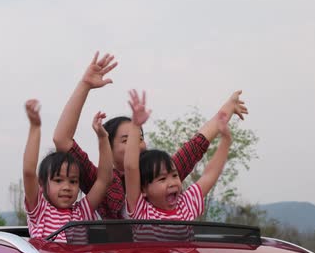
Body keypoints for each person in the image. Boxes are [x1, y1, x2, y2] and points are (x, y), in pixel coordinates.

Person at [53, 51, 248, 219]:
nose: (137, 144)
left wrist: (226, 110)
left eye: (140, 137)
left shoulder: (160, 174)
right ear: (109, 150)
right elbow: (61, 140)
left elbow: (195, 146)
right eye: (126, 139)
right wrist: (84, 85)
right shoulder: (101, 181)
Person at [124, 89, 233, 222]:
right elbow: (130, 167)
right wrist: (136, 125)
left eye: (175, 175)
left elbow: (210, 175)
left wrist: (226, 142)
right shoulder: (141, 210)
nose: (172, 183)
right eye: (162, 179)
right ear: (144, 190)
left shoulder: (187, 204)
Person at [22, 99, 113, 242]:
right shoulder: (40, 211)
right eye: (58, 180)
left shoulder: (82, 211)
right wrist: (35, 127)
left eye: (73, 181)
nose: (66, 187)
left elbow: (103, 180)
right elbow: (28, 172)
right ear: (42, 183)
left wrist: (103, 138)